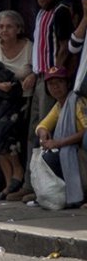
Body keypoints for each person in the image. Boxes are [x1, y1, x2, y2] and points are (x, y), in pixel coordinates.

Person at [16, 0, 75, 202]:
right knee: (34, 131)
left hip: (52, 81)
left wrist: (54, 77)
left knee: (48, 131)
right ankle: (33, 183)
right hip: (40, 79)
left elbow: (64, 48)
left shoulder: (60, 12)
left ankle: (49, 184)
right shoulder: (41, 13)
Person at [0, 11, 34, 200]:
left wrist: (32, 77)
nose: (4, 30)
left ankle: (16, 174)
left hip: (20, 100)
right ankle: (11, 181)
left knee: (3, 133)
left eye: (9, 26)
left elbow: (36, 69)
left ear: (18, 28)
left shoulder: (28, 47)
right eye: (1, 27)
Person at [35, 66, 87, 208]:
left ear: (67, 84)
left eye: (59, 82)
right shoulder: (59, 105)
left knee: (60, 154)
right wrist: (43, 135)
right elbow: (42, 125)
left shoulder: (77, 101)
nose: (55, 87)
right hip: (72, 148)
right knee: (49, 157)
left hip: (82, 148)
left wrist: (59, 142)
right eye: (51, 84)